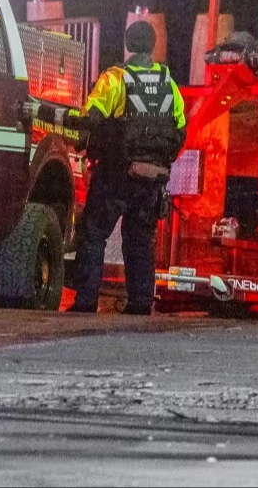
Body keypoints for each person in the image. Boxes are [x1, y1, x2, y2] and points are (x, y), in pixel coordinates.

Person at [65, 20, 186, 315]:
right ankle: (141, 304)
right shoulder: (168, 83)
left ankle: (85, 303)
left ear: (128, 44)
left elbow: (91, 117)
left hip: (115, 174)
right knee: (140, 240)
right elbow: (180, 129)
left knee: (94, 234)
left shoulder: (115, 79)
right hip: (151, 179)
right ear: (153, 45)